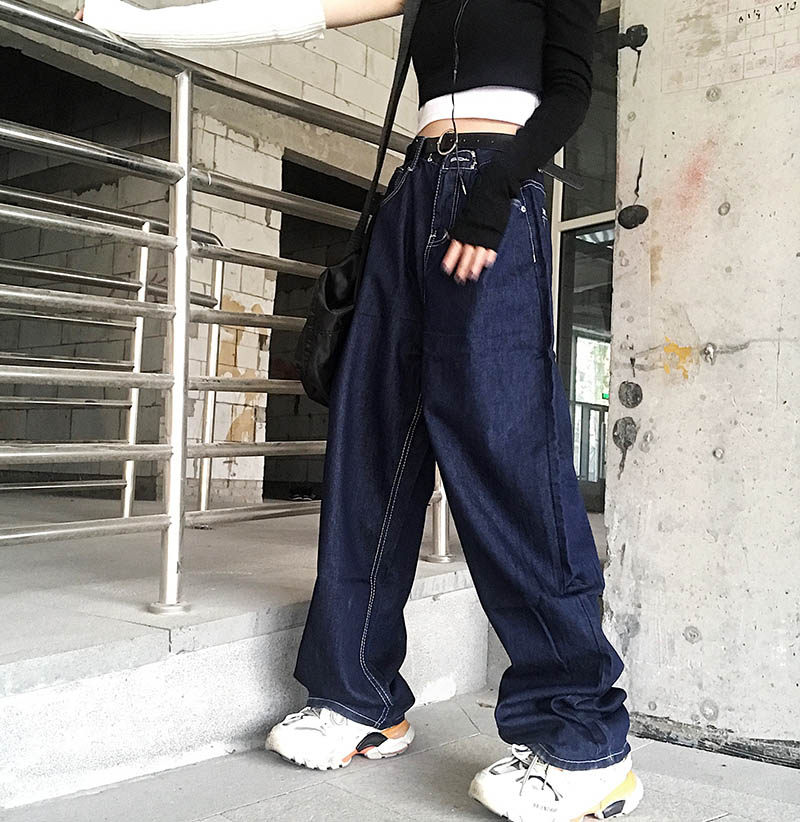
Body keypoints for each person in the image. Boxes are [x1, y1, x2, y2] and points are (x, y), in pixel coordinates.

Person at [79, 1, 644, 819]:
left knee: (509, 460)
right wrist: (132, 21)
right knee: (370, 448)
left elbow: (570, 91)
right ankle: (360, 697)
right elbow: (292, 13)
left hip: (495, 191)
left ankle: (584, 742)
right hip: (411, 196)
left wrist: (493, 192)